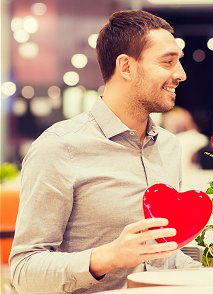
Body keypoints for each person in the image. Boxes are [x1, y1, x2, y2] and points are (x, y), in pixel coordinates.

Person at [9, 10, 201, 293]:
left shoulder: (169, 146)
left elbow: (162, 258)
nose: (180, 74)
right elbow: (24, 272)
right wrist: (106, 257)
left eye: (179, 62)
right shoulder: (59, 147)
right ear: (126, 67)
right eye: (168, 62)